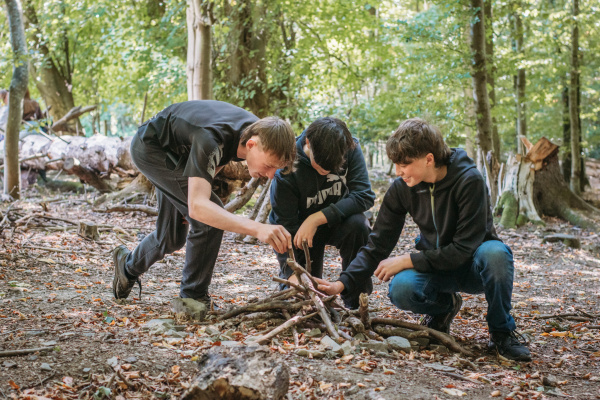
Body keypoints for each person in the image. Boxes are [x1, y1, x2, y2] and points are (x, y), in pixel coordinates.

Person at [316, 118, 532, 361]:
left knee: (496, 253)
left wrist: (407, 259)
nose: (398, 171)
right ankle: (443, 308)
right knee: (401, 288)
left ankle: (501, 332)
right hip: (436, 271)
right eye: (396, 164)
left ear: (428, 159)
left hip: (474, 267)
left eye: (404, 164)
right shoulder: (402, 188)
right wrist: (342, 283)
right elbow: (378, 244)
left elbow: (462, 249)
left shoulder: (469, 180)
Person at [112, 100, 296, 306]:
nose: (271, 175)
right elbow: (200, 204)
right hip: (152, 148)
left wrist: (191, 202)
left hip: (181, 154)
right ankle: (193, 298)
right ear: (252, 145)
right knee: (209, 221)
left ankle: (126, 267)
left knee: (171, 237)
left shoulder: (259, 131)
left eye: (276, 170)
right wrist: (256, 228)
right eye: (269, 166)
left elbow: (210, 166)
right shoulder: (212, 138)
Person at [269, 117, 375, 309]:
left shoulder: (350, 146)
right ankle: (308, 299)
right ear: (308, 143)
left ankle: (355, 302)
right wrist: (289, 269)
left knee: (359, 225)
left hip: (337, 221)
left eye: (332, 168)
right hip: (299, 229)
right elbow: (284, 224)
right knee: (307, 294)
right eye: (320, 165)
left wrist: (317, 218)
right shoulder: (287, 166)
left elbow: (364, 195)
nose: (325, 172)